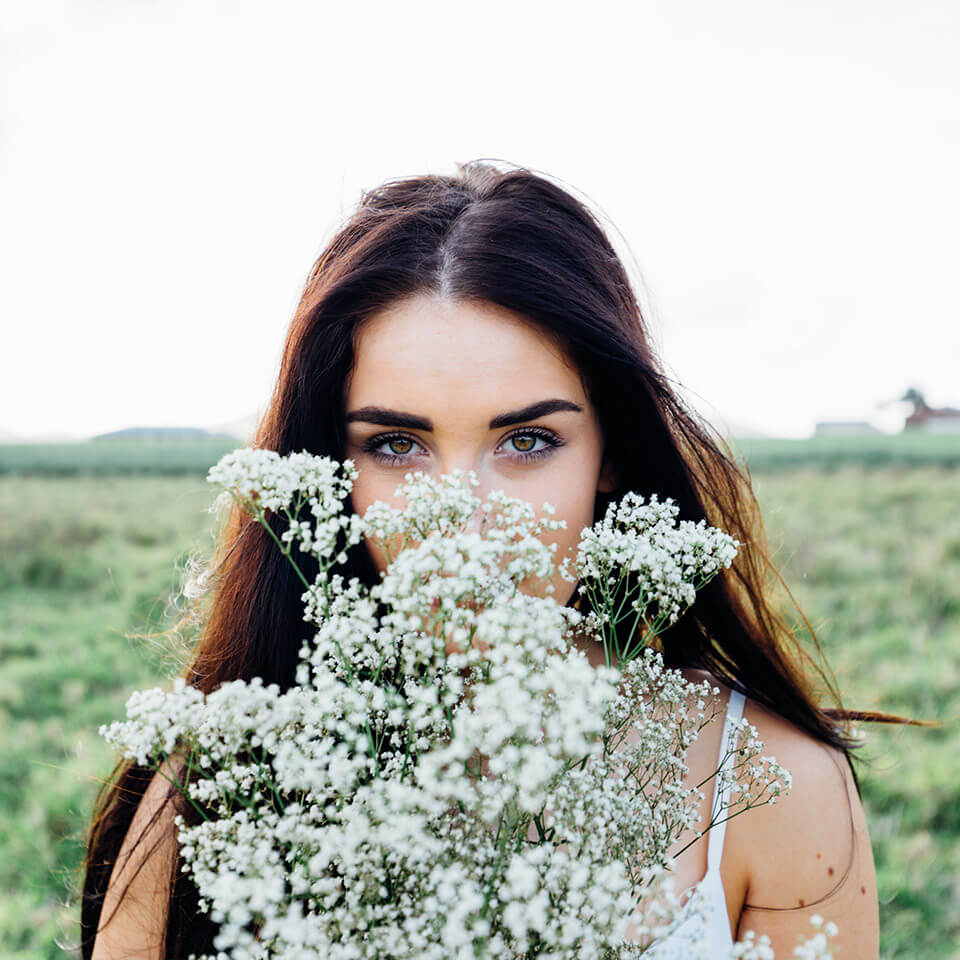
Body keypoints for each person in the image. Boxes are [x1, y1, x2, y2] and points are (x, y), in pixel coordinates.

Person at [83, 159, 886, 959]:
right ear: (328, 466)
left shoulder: (770, 786)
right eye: (396, 444)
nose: (462, 522)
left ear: (610, 455)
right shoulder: (221, 781)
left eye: (528, 441)